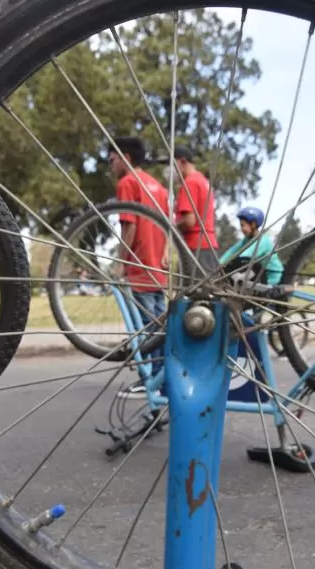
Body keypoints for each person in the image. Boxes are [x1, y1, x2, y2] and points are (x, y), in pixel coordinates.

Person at [109, 136, 170, 398]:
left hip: (140, 265)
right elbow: (168, 226)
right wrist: (165, 254)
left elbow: (129, 224)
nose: (110, 166)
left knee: (145, 327)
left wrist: (120, 262)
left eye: (112, 160)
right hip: (159, 266)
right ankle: (161, 378)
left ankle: (150, 381)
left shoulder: (127, 182)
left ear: (125, 157)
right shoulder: (159, 187)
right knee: (158, 326)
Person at [171, 145, 219, 278]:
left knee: (191, 294)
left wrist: (171, 228)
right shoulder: (202, 181)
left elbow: (189, 221)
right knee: (207, 292)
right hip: (209, 246)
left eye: (171, 165)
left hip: (194, 248)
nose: (170, 171)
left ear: (182, 161)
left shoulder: (189, 183)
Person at [219, 207, 284, 286]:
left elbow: (247, 255)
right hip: (259, 273)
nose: (242, 229)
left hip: (272, 277)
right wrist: (219, 263)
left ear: (253, 224)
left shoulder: (263, 241)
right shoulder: (246, 240)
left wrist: (228, 265)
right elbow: (232, 251)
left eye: (243, 225)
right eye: (241, 225)